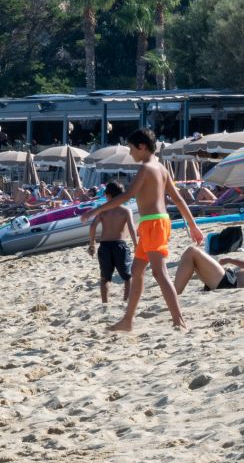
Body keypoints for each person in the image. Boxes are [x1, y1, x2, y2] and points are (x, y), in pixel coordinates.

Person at [82, 127, 205, 331]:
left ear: (142, 146)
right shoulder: (162, 168)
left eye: (131, 149)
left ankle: (179, 321)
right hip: (156, 222)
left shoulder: (147, 168)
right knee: (136, 270)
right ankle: (127, 320)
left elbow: (126, 196)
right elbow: (178, 199)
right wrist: (192, 225)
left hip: (154, 224)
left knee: (160, 273)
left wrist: (96, 211)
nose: (130, 153)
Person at [87, 181, 136, 304]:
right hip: (120, 245)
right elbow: (131, 228)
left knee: (105, 278)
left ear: (108, 195)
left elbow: (92, 227)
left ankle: (105, 302)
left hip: (105, 246)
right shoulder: (126, 211)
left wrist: (92, 243)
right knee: (127, 276)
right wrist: (136, 244)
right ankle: (126, 300)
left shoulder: (103, 211)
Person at [173, 246, 244, 293]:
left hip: (230, 282)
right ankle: (174, 293)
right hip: (228, 279)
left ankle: (174, 293)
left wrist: (230, 260)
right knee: (192, 257)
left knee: (191, 252)